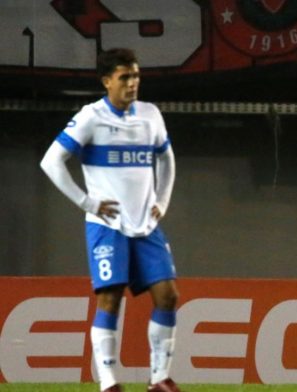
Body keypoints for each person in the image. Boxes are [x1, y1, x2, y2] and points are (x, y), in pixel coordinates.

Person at [39, 48, 180, 392]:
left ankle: (159, 378)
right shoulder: (91, 117)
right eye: (124, 77)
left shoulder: (150, 115)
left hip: (146, 225)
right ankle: (108, 382)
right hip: (108, 226)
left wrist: (162, 200)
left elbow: (167, 159)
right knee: (110, 299)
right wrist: (87, 202)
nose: (132, 84)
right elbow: (51, 161)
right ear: (107, 81)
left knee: (168, 296)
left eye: (135, 76)